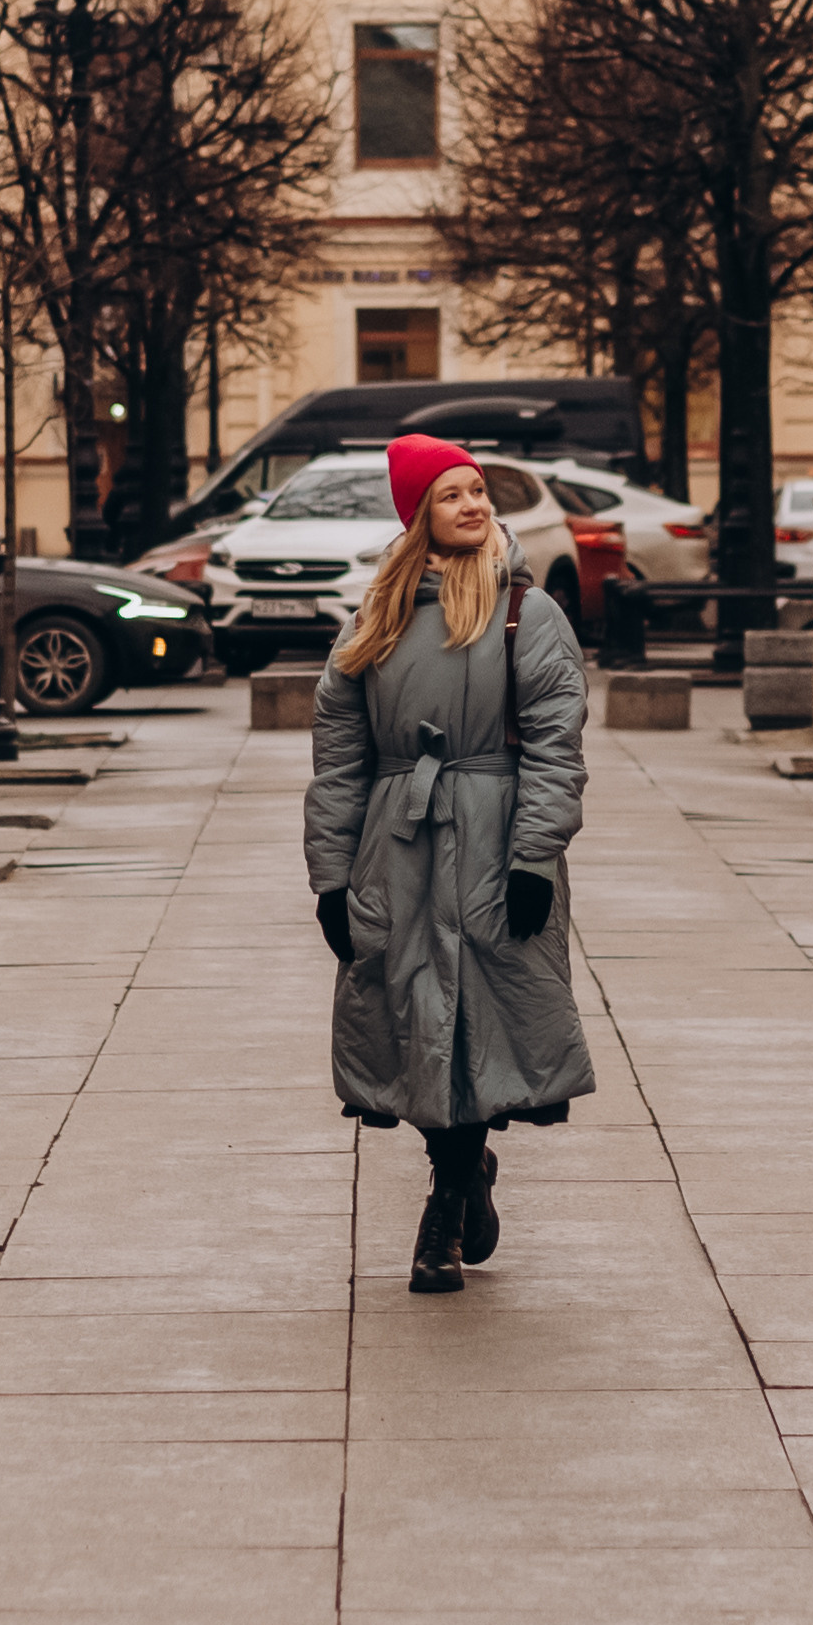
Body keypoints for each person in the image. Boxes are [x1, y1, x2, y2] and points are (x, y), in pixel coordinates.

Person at [306, 432, 595, 1294]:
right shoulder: (373, 621)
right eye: (451, 495)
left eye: (478, 491)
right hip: (397, 847)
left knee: (478, 1020)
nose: (474, 506)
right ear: (417, 516)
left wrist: (535, 856)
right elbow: (338, 759)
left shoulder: (525, 613)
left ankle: (444, 1211)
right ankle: (462, 1177)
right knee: (416, 1020)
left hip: (496, 838)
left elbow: (556, 746)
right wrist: (329, 876)